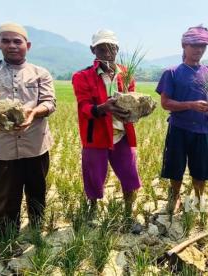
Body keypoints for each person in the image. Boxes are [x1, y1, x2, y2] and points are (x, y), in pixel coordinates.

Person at [0, 22, 56, 248]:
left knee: (37, 190)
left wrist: (33, 112)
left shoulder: (40, 73)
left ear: (27, 45)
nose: (12, 46)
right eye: (6, 41)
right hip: (2, 147)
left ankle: (36, 231)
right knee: (4, 194)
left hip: (35, 144)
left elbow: (49, 103)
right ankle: (6, 239)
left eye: (17, 41)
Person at [72, 29, 142, 232]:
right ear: (93, 50)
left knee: (130, 174)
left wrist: (137, 110)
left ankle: (129, 214)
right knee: (94, 175)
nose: (107, 52)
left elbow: (132, 101)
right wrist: (104, 108)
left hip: (122, 135)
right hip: (97, 136)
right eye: (101, 48)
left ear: (117, 49)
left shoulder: (126, 74)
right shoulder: (82, 76)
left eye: (111, 47)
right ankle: (92, 210)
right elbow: (84, 107)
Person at [155, 25, 208, 215]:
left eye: (203, 46)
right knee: (175, 168)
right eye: (195, 45)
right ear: (184, 45)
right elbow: (165, 103)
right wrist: (191, 105)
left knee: (201, 171)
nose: (199, 50)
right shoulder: (172, 72)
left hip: (201, 130)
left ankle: (198, 201)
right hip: (179, 129)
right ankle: (174, 198)